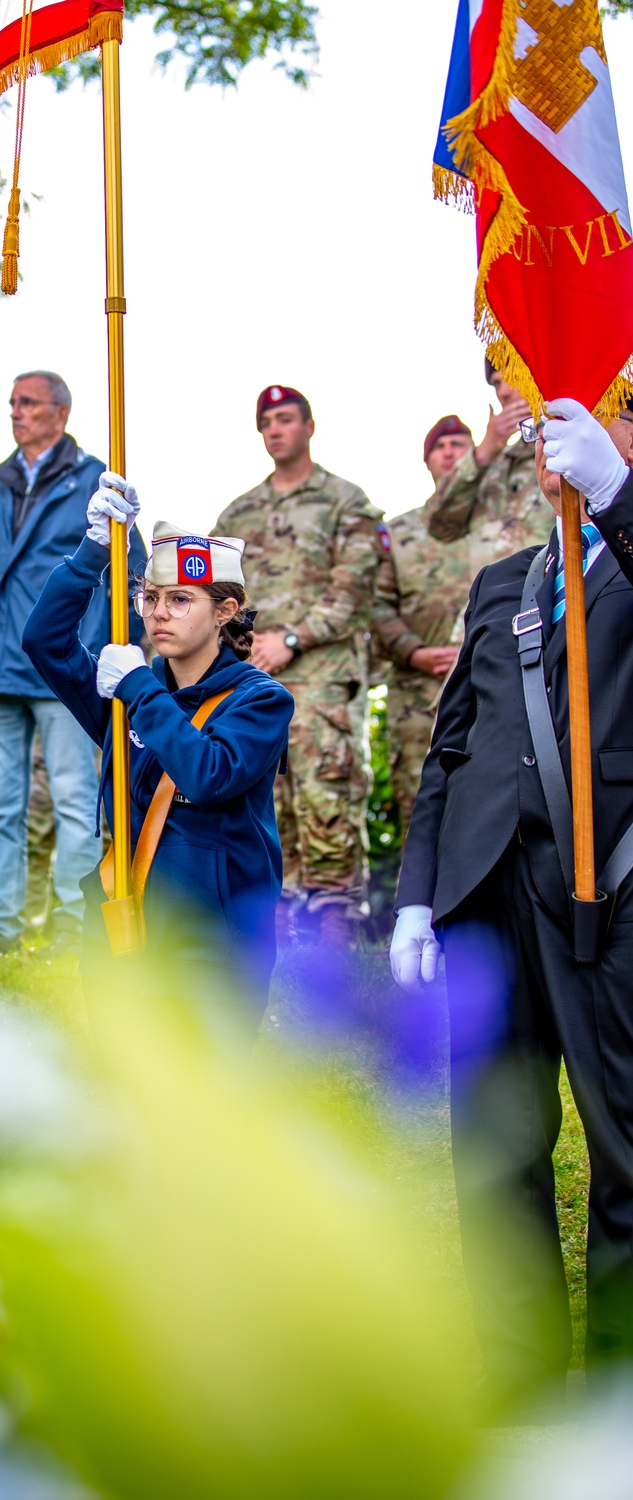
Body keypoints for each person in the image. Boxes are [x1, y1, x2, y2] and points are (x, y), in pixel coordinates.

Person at [390, 397, 633, 1418]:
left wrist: (622, 502)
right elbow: (450, 752)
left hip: (611, 887)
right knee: (496, 1154)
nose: (554, 450)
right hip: (486, 893)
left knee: (626, 1151)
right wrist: (415, 898)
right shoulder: (502, 583)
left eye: (592, 426)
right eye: (545, 435)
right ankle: (523, 1407)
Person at [22, 476, 294, 1011]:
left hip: (212, 949)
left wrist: (137, 687)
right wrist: (93, 553)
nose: (157, 613)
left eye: (179, 599)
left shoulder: (260, 700)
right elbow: (44, 642)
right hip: (121, 933)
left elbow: (209, 773)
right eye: (149, 597)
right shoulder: (130, 690)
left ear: (224, 610)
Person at [0, 369, 146, 958]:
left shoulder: (95, 479)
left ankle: (72, 927)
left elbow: (131, 567)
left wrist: (113, 649)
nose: (16, 412)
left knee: (74, 800)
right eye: (12, 401)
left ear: (61, 413)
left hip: (62, 667)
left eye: (29, 403)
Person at [214, 385, 383, 949]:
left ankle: (335, 914)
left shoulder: (345, 501)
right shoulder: (238, 513)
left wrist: (292, 636)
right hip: (254, 676)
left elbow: (355, 587)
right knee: (266, 790)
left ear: (310, 426)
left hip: (322, 675)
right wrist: (244, 649)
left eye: (286, 419)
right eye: (266, 423)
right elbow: (220, 594)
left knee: (327, 790)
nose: (275, 430)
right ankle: (278, 911)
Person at [372, 417, 474, 836]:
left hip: (487, 681)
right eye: (440, 446)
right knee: (421, 810)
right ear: (427, 461)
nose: (450, 452)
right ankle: (417, 902)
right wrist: (415, 651)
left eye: (459, 443)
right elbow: (377, 605)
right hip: (417, 693)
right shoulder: (398, 531)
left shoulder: (503, 525)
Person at [425, 360, 548, 568]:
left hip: (556, 595)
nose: (504, 393)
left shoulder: (568, 449)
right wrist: (482, 454)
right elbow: (440, 525)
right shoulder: (491, 467)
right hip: (494, 598)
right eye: (497, 384)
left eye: (513, 378)